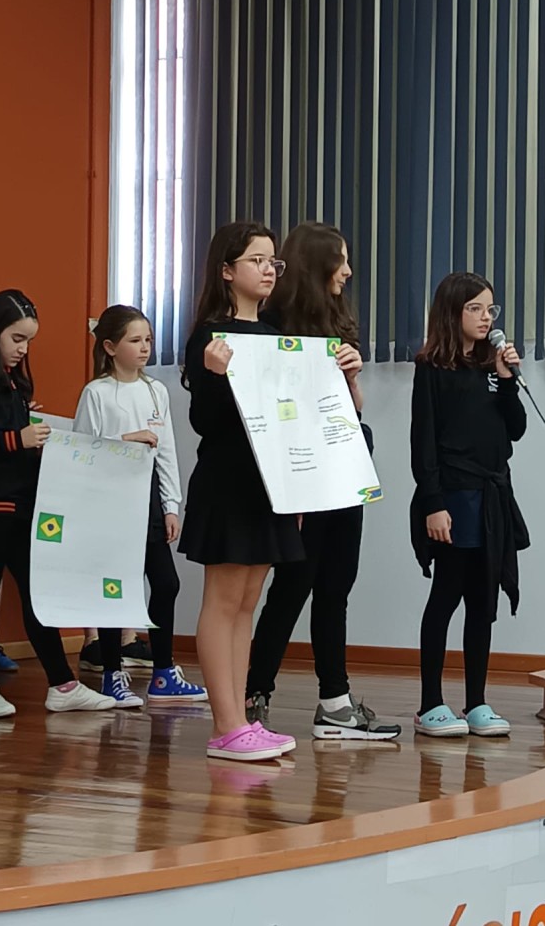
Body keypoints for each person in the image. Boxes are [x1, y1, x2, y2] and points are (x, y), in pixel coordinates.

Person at [245, 222, 401, 741]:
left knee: (337, 586)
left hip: (344, 469)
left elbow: (352, 411)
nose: (348, 271)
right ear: (316, 265)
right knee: (293, 586)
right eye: (341, 260)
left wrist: (351, 377)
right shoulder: (271, 326)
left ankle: (335, 702)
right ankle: (253, 694)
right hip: (302, 477)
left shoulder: (337, 322)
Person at [179, 221, 302, 762]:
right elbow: (205, 422)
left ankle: (240, 720)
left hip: (269, 483)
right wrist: (213, 374)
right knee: (224, 599)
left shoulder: (276, 333)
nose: (268, 270)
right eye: (257, 260)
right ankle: (225, 725)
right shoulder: (209, 336)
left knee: (247, 602)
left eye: (273, 261)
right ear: (227, 270)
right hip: (228, 481)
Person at [409, 273, 529, 737]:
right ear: (452, 312)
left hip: (492, 497)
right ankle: (430, 704)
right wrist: (433, 503)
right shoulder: (432, 368)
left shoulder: (492, 368)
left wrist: (507, 379)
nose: (486, 318)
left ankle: (477, 702)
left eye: (490, 310)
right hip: (453, 497)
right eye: (475, 309)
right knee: (446, 596)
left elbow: (515, 429)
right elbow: (423, 442)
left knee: (483, 600)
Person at [73, 305, 208, 707]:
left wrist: (171, 504)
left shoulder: (155, 391)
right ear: (110, 347)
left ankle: (164, 673)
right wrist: (125, 440)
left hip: (147, 498)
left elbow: (166, 452)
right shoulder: (96, 393)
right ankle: (112, 674)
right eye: (135, 340)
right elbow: (81, 451)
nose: (145, 347)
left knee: (166, 583)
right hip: (109, 501)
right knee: (115, 588)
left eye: (148, 339)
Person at [0, 290, 115, 716]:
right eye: (16, 338)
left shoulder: (13, 383)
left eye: (28, 340)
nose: (23, 349)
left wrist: (27, 431)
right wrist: (17, 438)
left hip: (22, 504)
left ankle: (63, 684)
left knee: (39, 596)